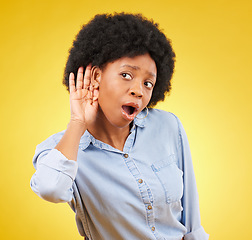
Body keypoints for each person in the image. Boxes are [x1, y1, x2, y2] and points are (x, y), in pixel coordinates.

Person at [30, 13, 209, 240]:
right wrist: (78, 122)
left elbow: (192, 223)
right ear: (96, 76)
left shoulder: (168, 126)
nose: (138, 90)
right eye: (126, 75)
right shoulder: (62, 149)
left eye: (148, 83)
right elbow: (50, 189)